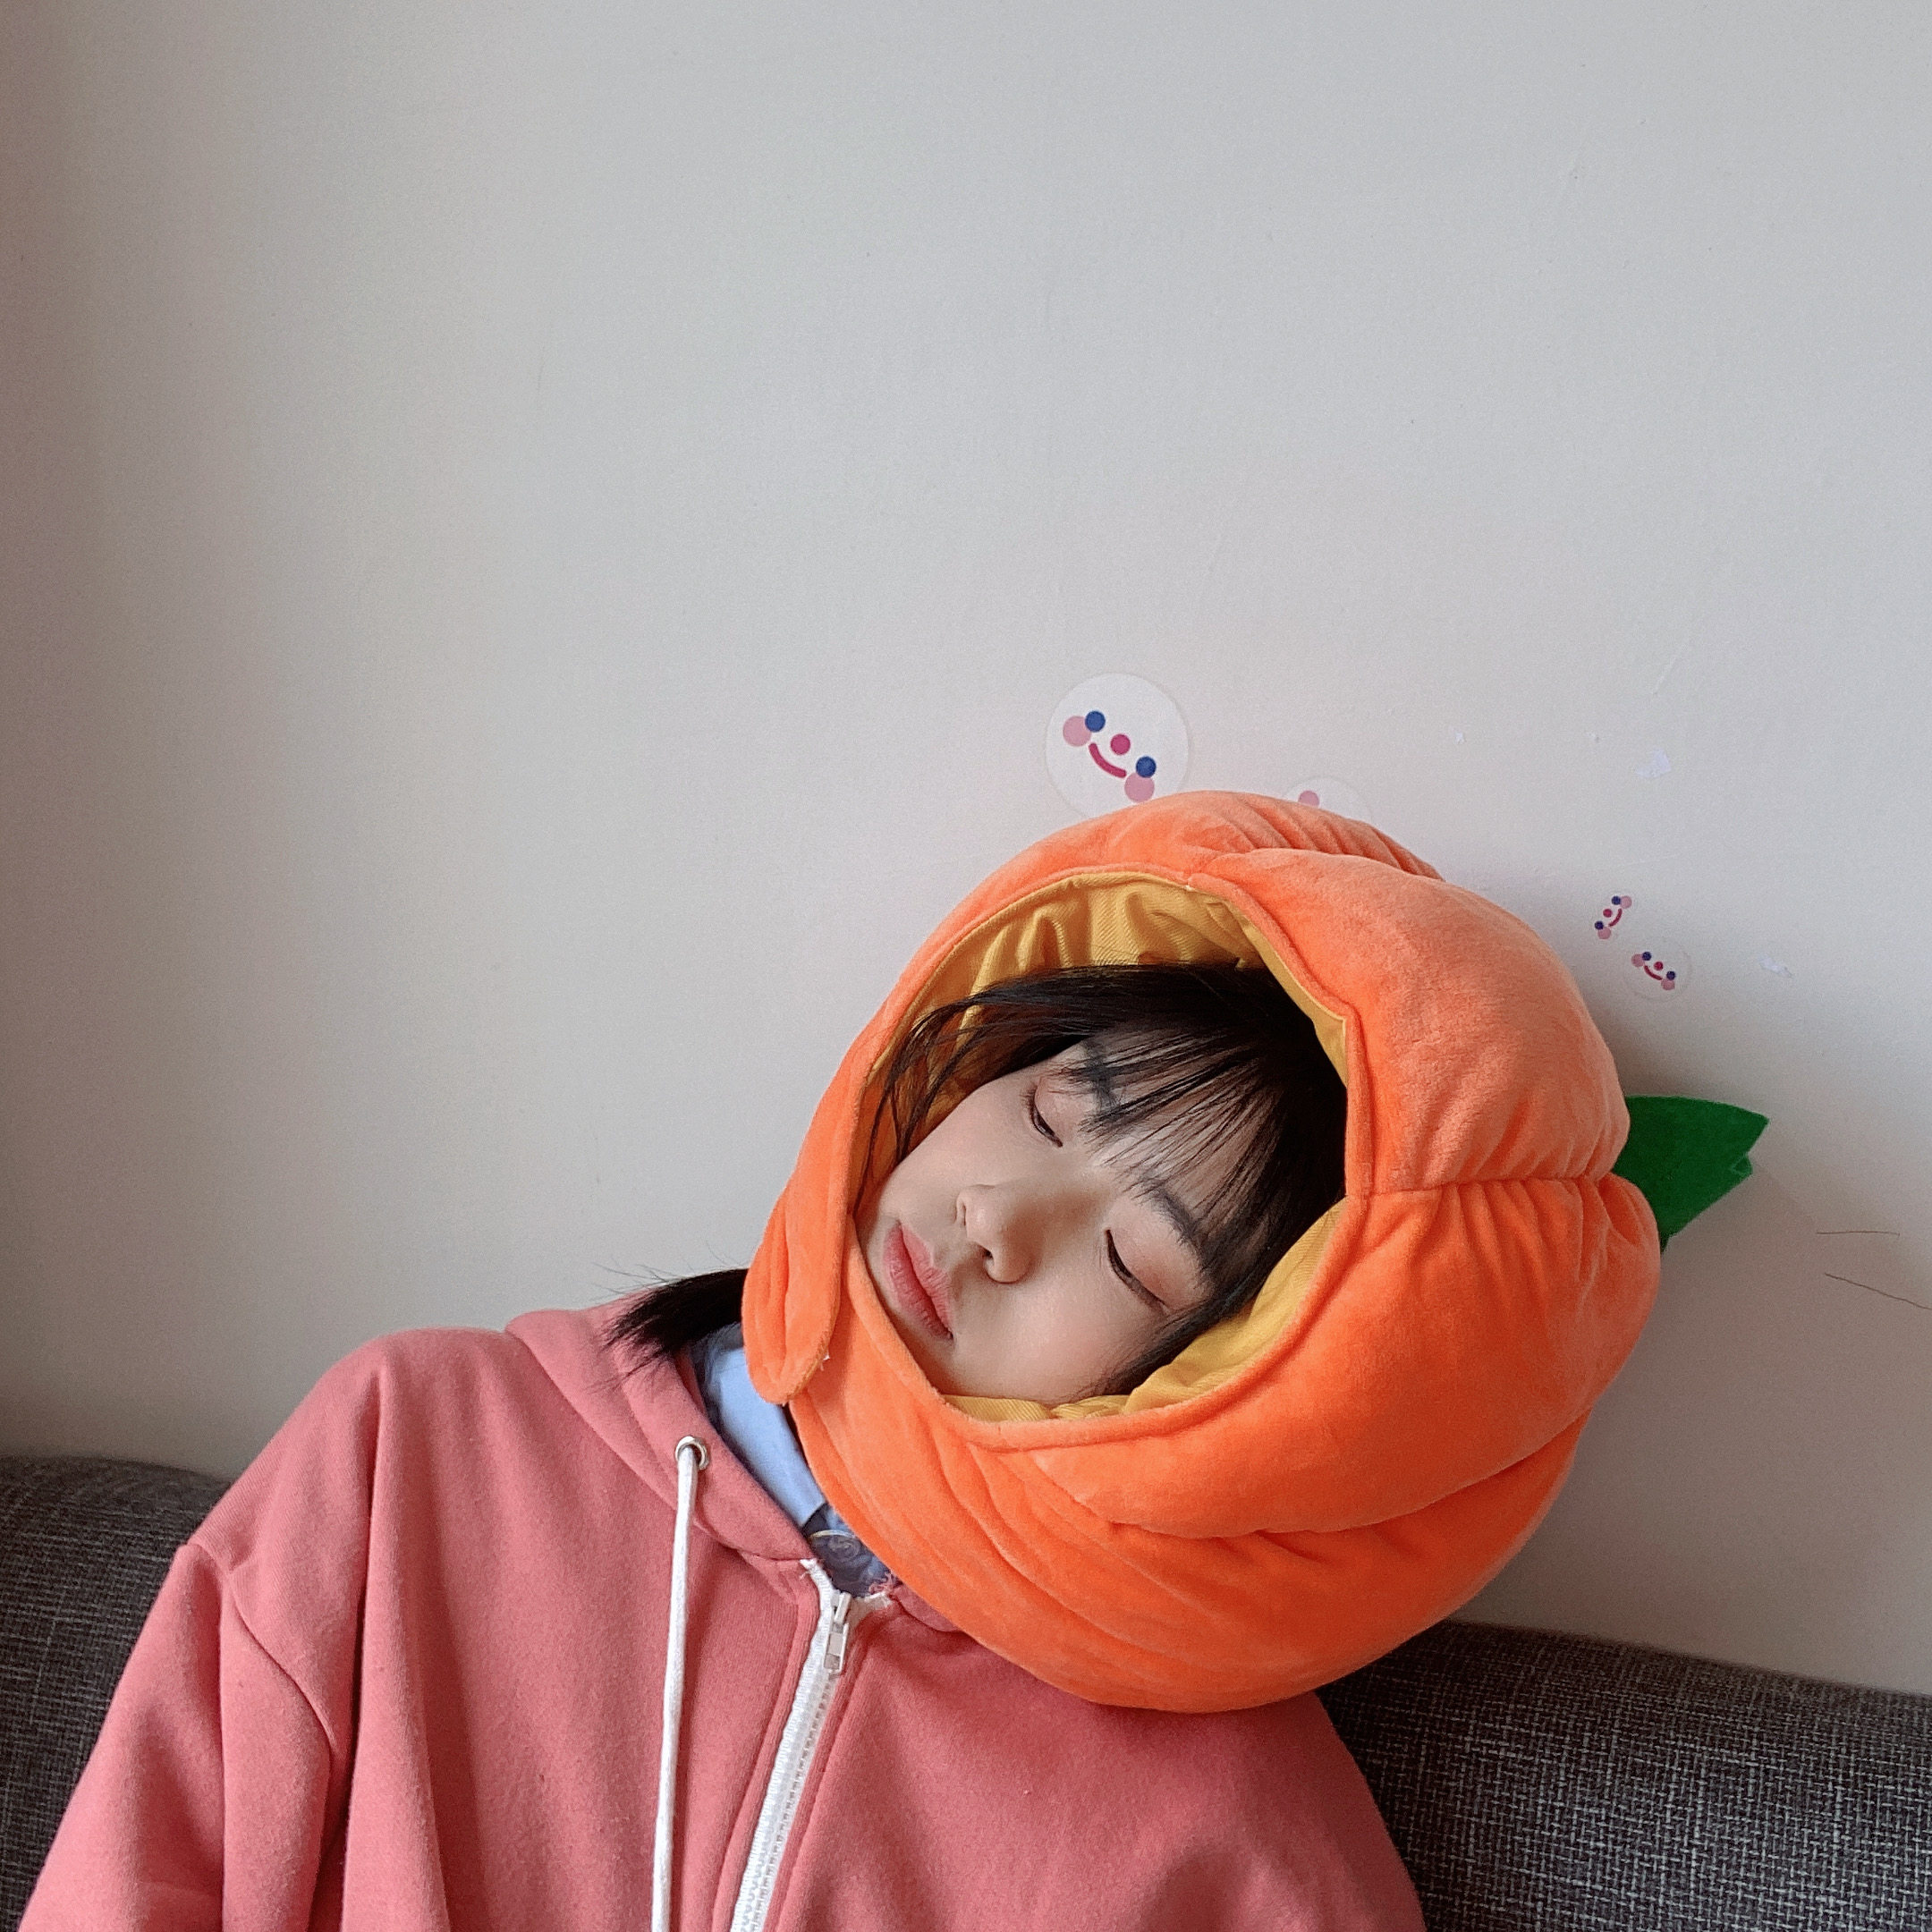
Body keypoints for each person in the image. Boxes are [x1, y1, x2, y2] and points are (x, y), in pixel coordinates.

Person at [25, 791, 1659, 1930]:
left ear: (1233, 1388)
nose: (997, 1222)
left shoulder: (1237, 1831)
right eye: (1048, 1110)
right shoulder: (417, 1447)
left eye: (1129, 1261)